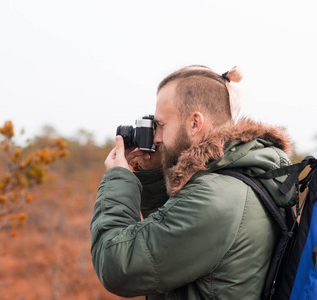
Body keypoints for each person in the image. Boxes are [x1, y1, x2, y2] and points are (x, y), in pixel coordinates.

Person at [90, 65, 297, 299]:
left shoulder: (216, 196)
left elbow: (117, 267)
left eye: (162, 125)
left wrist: (119, 179)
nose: (156, 138)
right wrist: (152, 173)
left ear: (195, 123)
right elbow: (171, 244)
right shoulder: (242, 177)